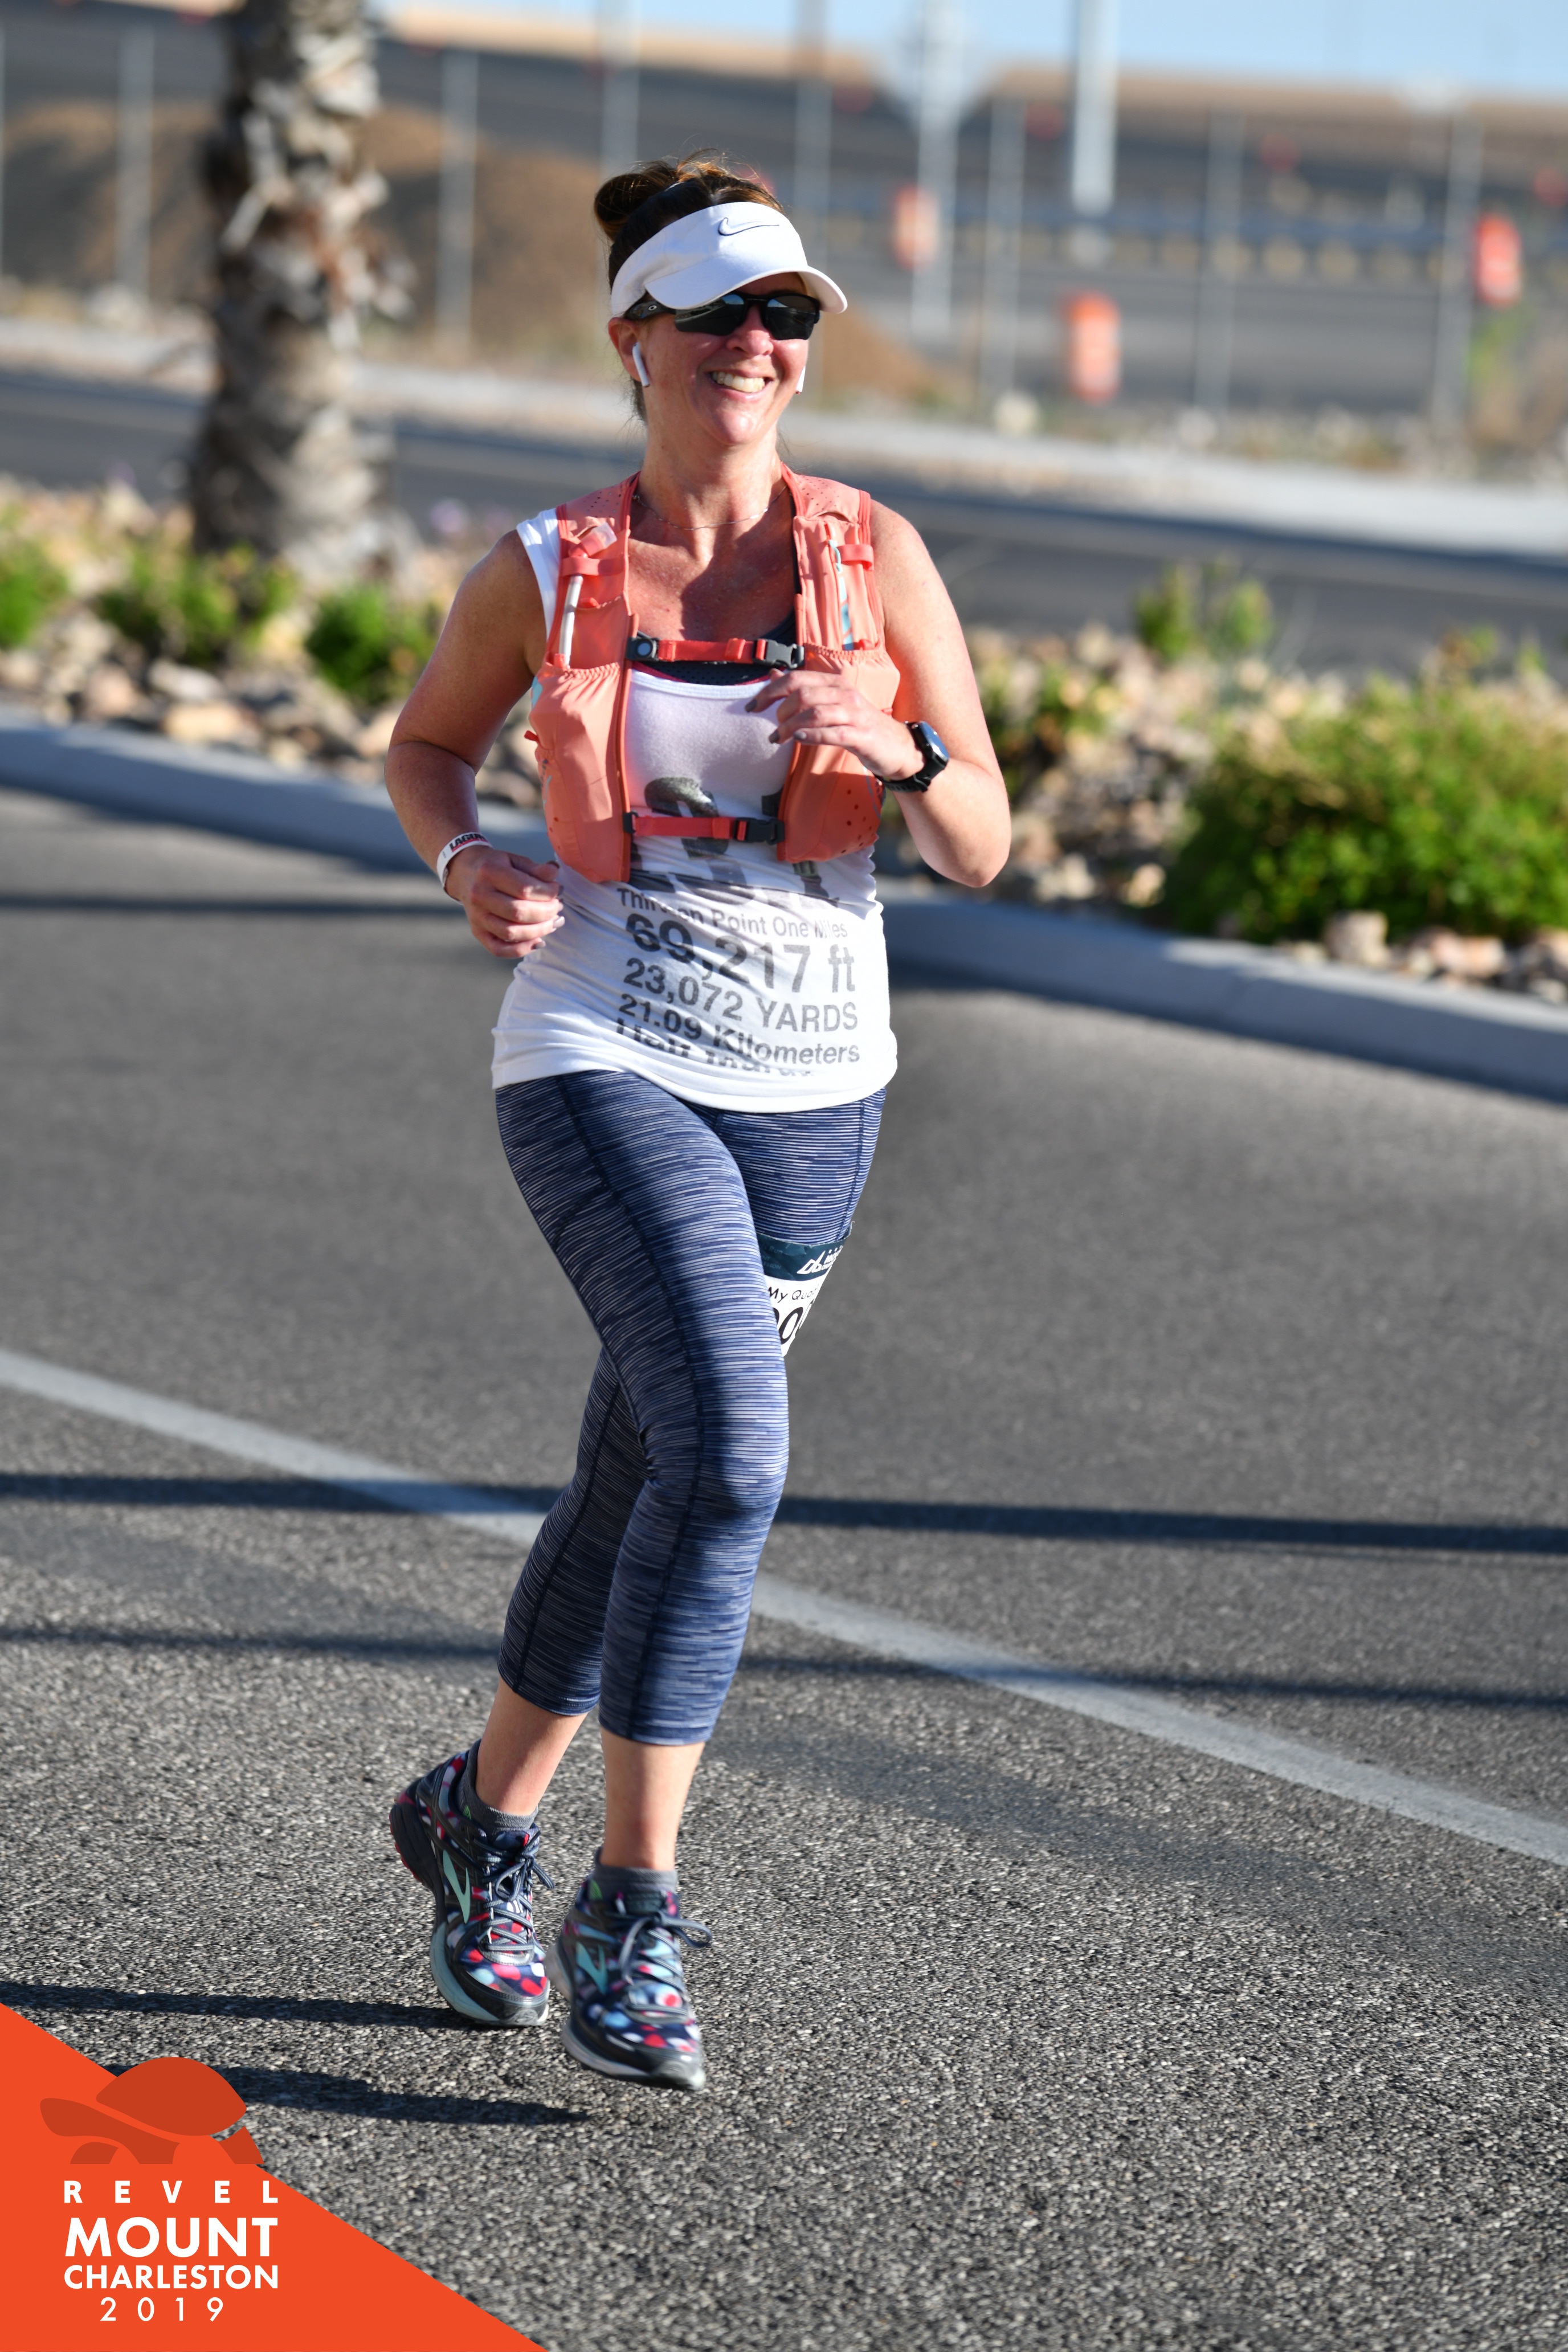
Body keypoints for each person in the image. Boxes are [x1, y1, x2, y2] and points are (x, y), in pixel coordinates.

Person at [383, 156, 1008, 2093]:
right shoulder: (550, 566)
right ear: (634, 342)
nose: (757, 342)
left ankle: (476, 1817)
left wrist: (900, 744)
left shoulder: (874, 554)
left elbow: (982, 840)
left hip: (823, 1081)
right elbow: (426, 746)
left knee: (638, 1469)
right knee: (730, 1461)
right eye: (721, 314)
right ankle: (629, 1908)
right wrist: (466, 861)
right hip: (601, 1048)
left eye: (787, 316)